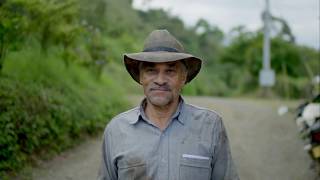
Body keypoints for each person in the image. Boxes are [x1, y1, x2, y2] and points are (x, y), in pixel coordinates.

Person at [98, 29, 239, 180]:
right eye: (151, 71)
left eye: (170, 71)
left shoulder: (210, 125)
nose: (160, 80)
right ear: (141, 77)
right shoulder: (117, 129)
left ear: (183, 77)